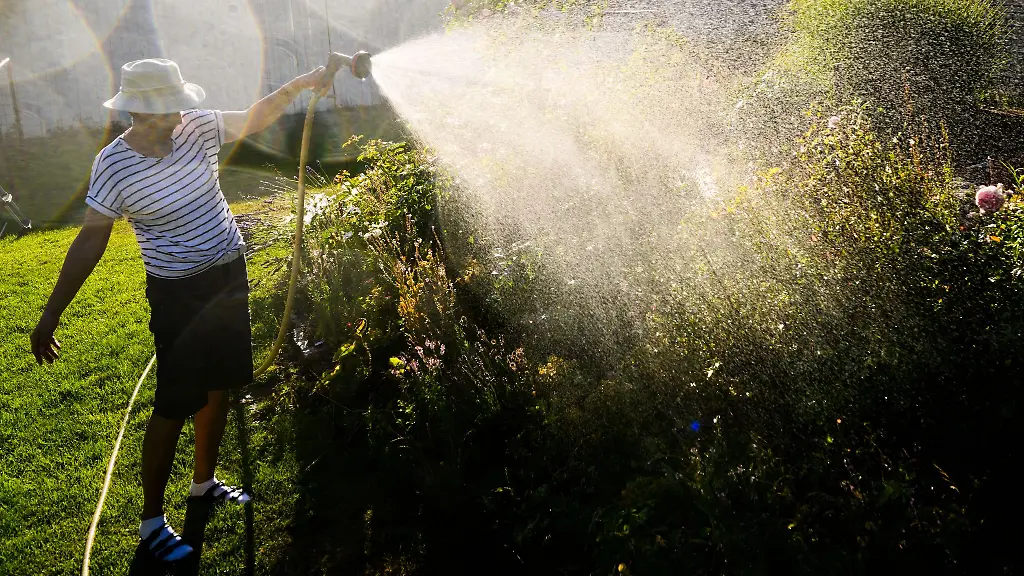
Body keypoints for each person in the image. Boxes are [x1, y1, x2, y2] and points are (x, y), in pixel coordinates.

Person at [30, 58, 327, 564]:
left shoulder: (197, 127)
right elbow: (89, 242)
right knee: (173, 403)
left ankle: (203, 484)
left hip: (227, 276)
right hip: (177, 294)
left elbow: (253, 118)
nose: (181, 115)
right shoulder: (114, 165)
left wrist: (299, 85)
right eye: (170, 108)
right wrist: (51, 314)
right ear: (142, 112)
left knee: (221, 384)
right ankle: (151, 520)